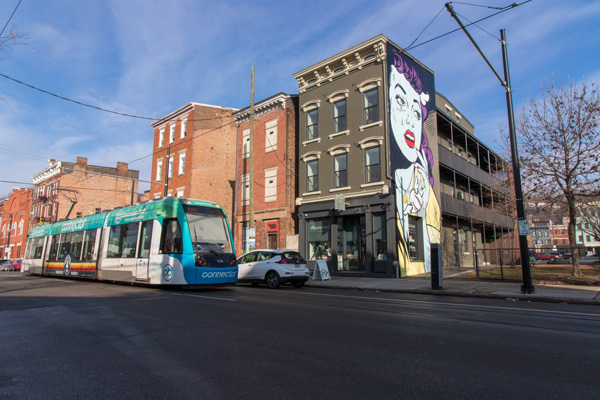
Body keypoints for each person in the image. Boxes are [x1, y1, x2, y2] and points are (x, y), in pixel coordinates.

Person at [389, 50, 440, 274]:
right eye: (400, 100)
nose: (411, 120)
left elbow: (431, 244)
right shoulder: (399, 178)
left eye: (417, 112)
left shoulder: (425, 187)